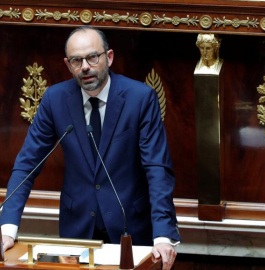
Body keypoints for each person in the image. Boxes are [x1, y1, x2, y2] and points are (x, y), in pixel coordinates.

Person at [0, 26, 180, 270]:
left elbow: (157, 168)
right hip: (77, 232)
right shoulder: (55, 99)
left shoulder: (140, 98)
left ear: (109, 57)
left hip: (131, 231)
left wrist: (163, 235)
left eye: (92, 57)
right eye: (77, 60)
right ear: (68, 65)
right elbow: (27, 165)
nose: (85, 66)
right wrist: (7, 228)